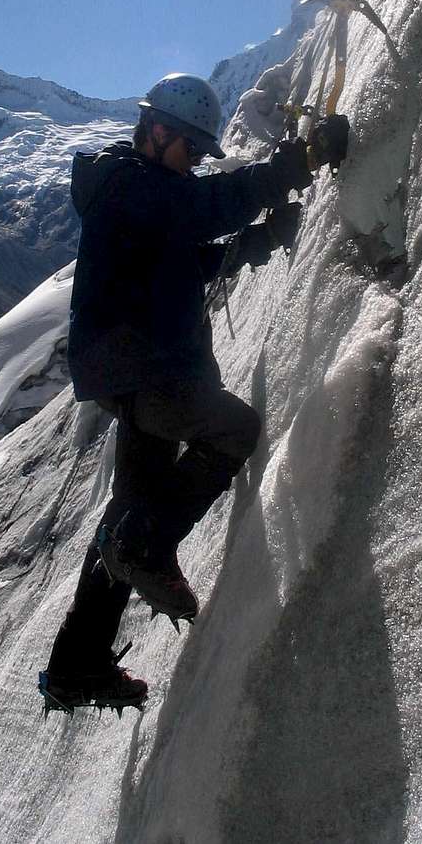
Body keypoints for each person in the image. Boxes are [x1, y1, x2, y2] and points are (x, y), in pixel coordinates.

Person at [38, 72, 347, 716]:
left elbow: (182, 261)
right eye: (189, 150)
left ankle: (77, 662)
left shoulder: (135, 190)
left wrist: (257, 240)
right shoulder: (133, 185)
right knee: (233, 431)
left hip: (131, 372)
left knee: (128, 508)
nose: (194, 164)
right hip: (150, 373)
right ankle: (147, 545)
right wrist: (297, 162)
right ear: (157, 134)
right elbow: (204, 210)